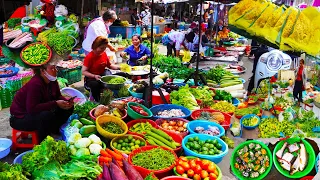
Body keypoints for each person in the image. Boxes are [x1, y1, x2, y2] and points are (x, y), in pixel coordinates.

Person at [10, 57, 73, 142]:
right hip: (19, 118)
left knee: (67, 108)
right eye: (52, 68)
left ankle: (55, 131)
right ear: (43, 71)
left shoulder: (53, 81)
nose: (55, 70)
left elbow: (58, 96)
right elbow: (32, 109)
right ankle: (43, 142)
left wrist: (66, 101)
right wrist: (56, 103)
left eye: (55, 67)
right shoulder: (35, 84)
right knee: (46, 115)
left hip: (35, 112)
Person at [82, 36, 120, 102]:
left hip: (102, 75)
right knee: (95, 85)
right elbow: (84, 71)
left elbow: (110, 65)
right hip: (91, 78)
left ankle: (113, 98)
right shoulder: (89, 57)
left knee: (119, 75)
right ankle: (98, 101)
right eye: (101, 48)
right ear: (95, 46)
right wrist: (94, 76)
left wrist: (120, 67)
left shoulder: (104, 54)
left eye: (105, 48)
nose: (103, 50)